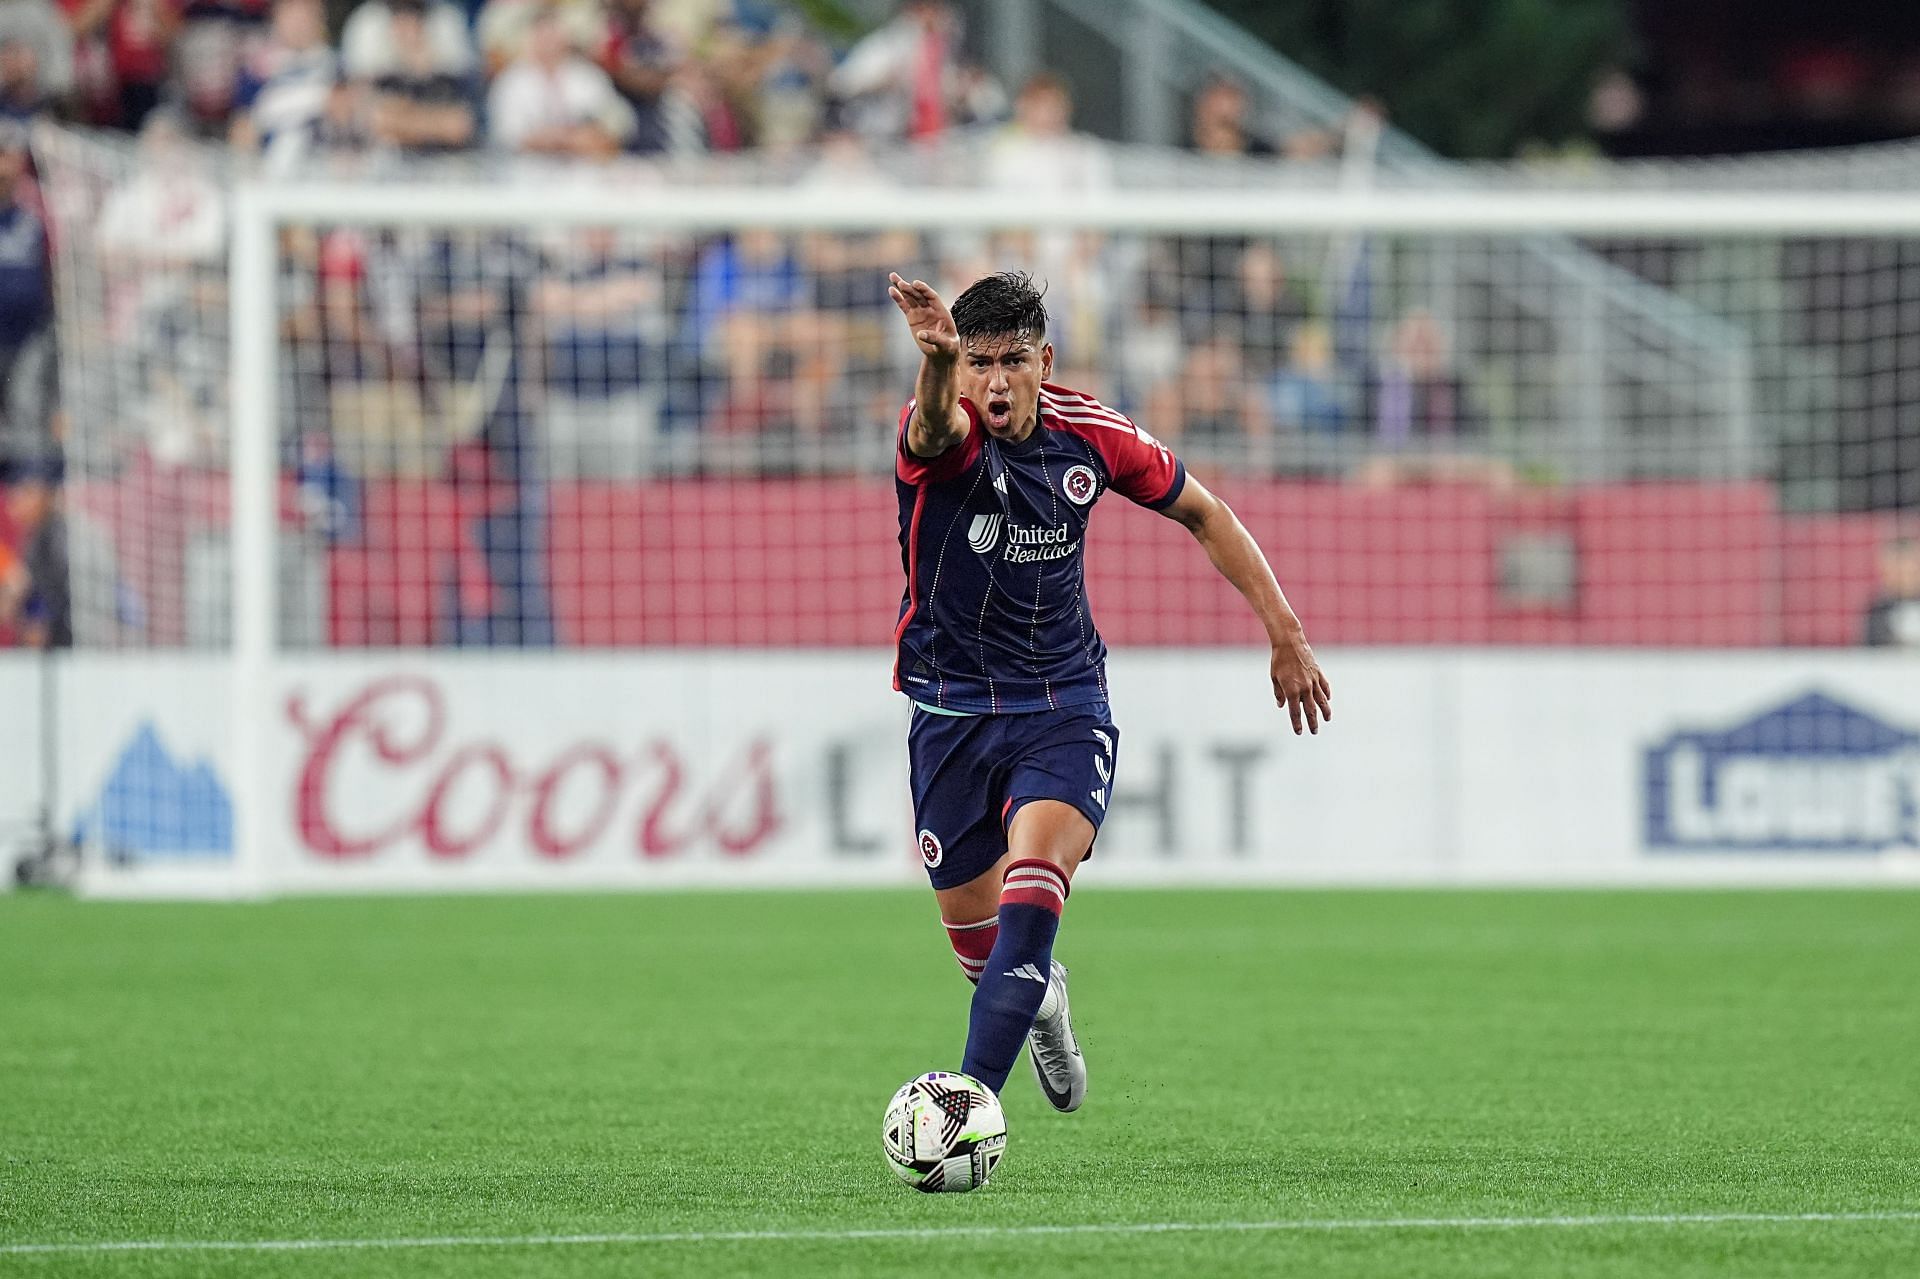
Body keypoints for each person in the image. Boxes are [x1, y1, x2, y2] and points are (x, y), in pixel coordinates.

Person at [885, 269, 1331, 1110]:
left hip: (1063, 706)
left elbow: (1207, 512)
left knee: (1031, 902)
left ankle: (969, 1105)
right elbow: (937, 420)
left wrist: (1286, 631)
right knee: (986, 959)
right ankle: (1043, 998)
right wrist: (938, 364)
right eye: (978, 363)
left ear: (1044, 362)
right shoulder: (941, 433)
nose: (994, 382)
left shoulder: (1093, 434)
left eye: (1011, 361)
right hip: (948, 711)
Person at [1863, 536, 1920, 647]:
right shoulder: (1877, 609)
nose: (1901, 578)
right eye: (1894, 571)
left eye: (1906, 571)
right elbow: (1870, 652)